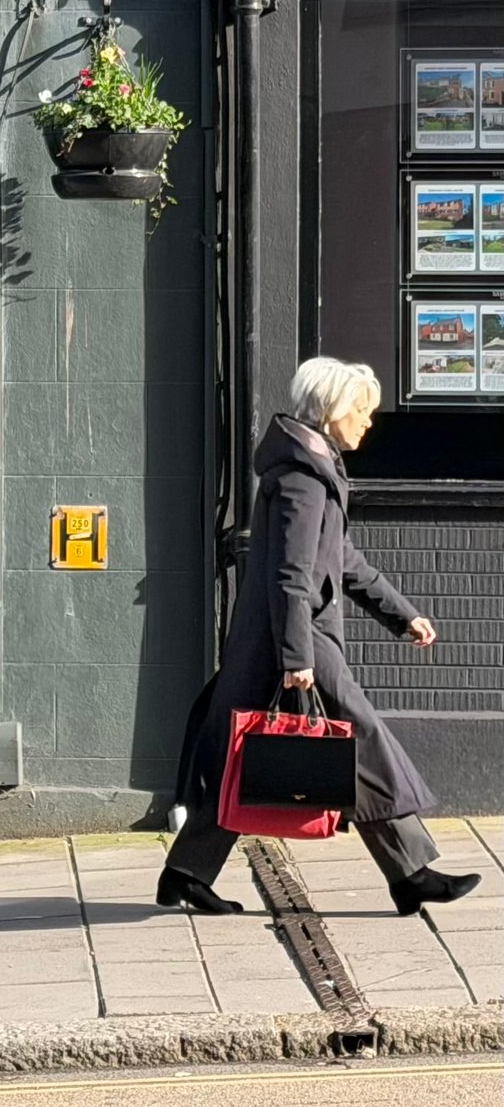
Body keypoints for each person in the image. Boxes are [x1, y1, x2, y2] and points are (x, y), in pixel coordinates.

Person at [159, 357, 482, 917]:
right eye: (363, 409)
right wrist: (296, 659)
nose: (369, 421)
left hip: (288, 641)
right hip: (297, 640)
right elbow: (291, 574)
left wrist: (400, 614)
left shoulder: (313, 467)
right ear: (334, 409)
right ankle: (412, 873)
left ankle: (186, 874)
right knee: (360, 740)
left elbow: (340, 558)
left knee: (253, 757)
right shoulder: (301, 478)